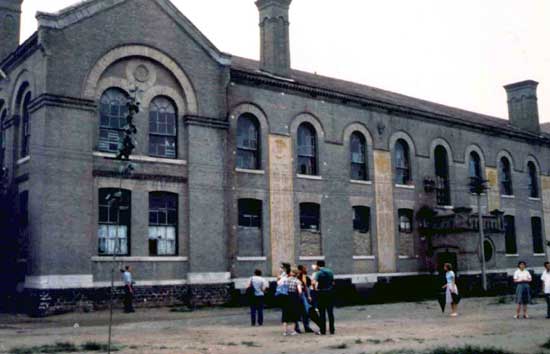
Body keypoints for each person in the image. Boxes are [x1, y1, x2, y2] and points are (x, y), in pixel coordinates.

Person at [313, 260, 335, 335]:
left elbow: (314, 282)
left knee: (322, 313)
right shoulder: (330, 272)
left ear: (318, 265)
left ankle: (323, 330)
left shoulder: (318, 273)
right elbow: (333, 282)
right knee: (330, 312)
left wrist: (315, 289)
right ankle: (332, 329)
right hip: (330, 293)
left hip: (321, 293)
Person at [281, 268, 302, 336]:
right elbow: (300, 291)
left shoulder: (286, 280)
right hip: (293, 298)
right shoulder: (297, 281)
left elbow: (281, 286)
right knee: (294, 314)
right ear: (297, 274)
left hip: (286, 297)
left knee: (285, 314)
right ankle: (292, 331)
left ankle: (285, 331)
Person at [295, 265, 316, 333]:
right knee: (303, 312)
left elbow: (307, 287)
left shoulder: (303, 277)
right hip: (302, 295)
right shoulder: (299, 277)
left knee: (303, 312)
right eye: (304, 269)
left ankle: (301, 327)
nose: (305, 270)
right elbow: (307, 287)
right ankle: (303, 327)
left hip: (300, 295)